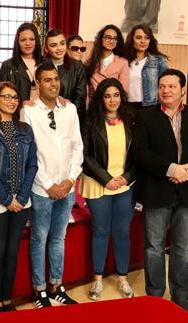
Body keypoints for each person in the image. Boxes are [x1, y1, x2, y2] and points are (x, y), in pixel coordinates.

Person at [134, 68, 188, 315]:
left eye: (172, 86)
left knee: (183, 248)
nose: (166, 90)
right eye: (162, 86)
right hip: (157, 190)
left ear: (183, 89)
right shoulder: (145, 116)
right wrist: (171, 168)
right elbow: (140, 154)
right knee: (153, 247)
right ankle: (154, 298)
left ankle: (180, 298)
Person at [21, 63, 83, 308]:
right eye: (47, 80)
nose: (54, 84)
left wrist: (69, 180)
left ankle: (56, 285)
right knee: (39, 238)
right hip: (41, 190)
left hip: (66, 188)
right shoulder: (29, 112)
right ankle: (40, 291)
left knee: (59, 238)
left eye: (56, 79)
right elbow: (29, 154)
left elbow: (77, 146)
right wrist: (48, 184)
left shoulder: (70, 109)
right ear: (37, 84)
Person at [0, 81, 38, 313]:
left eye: (15, 98)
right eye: (6, 97)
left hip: (21, 201)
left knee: (13, 251)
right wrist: (6, 198)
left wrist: (20, 197)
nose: (12, 101)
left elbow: (32, 165)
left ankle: (7, 299)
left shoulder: (25, 129)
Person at [80, 78, 136, 301]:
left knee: (122, 232)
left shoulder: (131, 120)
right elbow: (84, 155)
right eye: (107, 95)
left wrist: (126, 178)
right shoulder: (90, 121)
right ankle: (98, 280)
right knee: (101, 231)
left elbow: (138, 155)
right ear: (100, 98)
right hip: (98, 183)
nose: (112, 100)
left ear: (121, 97)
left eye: (116, 95)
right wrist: (106, 179)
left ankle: (123, 278)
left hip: (125, 184)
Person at [43, 28, 87, 120]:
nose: (59, 48)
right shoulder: (40, 66)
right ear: (46, 48)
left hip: (70, 118)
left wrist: (66, 117)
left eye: (62, 43)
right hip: (44, 117)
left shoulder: (78, 67)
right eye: (53, 45)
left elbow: (80, 99)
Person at [125, 24, 169, 110]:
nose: (143, 41)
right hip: (126, 107)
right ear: (131, 40)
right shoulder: (123, 60)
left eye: (147, 37)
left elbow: (165, 86)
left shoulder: (159, 60)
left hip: (150, 107)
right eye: (138, 37)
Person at [0, 22, 44, 102]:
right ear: (17, 43)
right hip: (17, 111)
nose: (28, 43)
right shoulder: (8, 65)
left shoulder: (46, 63)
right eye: (23, 40)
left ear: (36, 41)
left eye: (31, 39)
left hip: (44, 112)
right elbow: (1, 95)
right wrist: (21, 105)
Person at [86, 24, 129, 99]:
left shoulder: (123, 62)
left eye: (115, 38)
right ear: (101, 39)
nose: (112, 41)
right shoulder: (90, 62)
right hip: (94, 105)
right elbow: (87, 88)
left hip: (113, 104)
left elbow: (124, 91)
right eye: (108, 37)